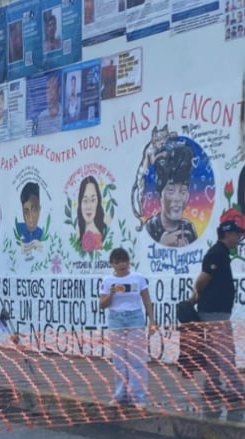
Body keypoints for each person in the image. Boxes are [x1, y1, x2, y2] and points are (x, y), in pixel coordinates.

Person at [189, 219, 245, 408]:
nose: (239, 237)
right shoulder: (217, 253)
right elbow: (203, 278)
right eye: (237, 234)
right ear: (228, 235)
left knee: (213, 351)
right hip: (214, 311)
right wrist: (197, 294)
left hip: (214, 310)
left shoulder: (221, 253)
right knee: (226, 351)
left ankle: (212, 386)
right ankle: (235, 389)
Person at [98, 247, 155, 407]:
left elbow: (147, 300)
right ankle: (120, 395)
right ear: (112, 264)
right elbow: (102, 305)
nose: (122, 265)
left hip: (135, 318)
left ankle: (138, 397)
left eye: (124, 261)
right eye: (117, 262)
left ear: (129, 262)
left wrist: (152, 321)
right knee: (119, 360)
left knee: (136, 359)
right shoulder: (107, 281)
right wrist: (111, 293)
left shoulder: (138, 278)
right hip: (116, 319)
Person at [145, 139, 199, 248]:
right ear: (160, 194)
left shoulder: (189, 229)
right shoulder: (150, 228)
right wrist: (161, 245)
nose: (177, 198)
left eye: (183, 191)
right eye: (171, 190)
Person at [76, 176, 107, 253]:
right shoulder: (77, 236)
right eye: (85, 200)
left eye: (93, 200)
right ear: (80, 203)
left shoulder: (104, 234)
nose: (89, 206)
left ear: (98, 202)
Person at [19, 182, 44, 259]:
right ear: (22, 213)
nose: (30, 218)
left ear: (39, 210)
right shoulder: (17, 230)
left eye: (34, 210)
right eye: (26, 212)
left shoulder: (42, 234)